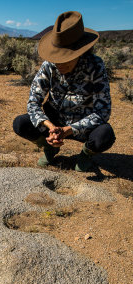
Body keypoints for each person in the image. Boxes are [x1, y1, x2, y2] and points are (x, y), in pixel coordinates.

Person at [13, 11, 115, 172]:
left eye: (65, 57)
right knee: (21, 123)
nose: (59, 63)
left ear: (80, 52)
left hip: (82, 125)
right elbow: (33, 102)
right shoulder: (49, 65)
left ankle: (86, 155)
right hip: (54, 121)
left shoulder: (95, 66)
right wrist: (51, 127)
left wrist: (68, 130)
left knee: (105, 135)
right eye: (57, 57)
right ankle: (49, 147)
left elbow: (103, 111)